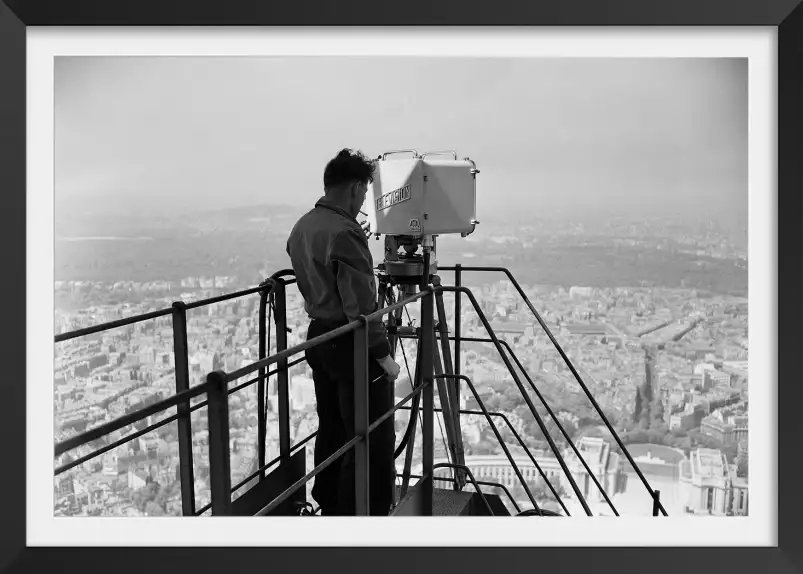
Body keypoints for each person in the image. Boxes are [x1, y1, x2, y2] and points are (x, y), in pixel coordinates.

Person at [286, 148, 401, 516]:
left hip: (319, 336)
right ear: (354, 188)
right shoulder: (346, 232)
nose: (363, 201)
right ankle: (363, 514)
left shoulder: (303, 225)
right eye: (364, 193)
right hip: (352, 344)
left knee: (333, 427)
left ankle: (330, 503)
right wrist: (383, 355)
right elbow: (362, 308)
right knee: (371, 435)